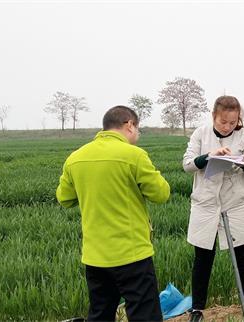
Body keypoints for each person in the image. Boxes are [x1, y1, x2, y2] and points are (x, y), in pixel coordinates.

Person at [56, 105, 171, 321]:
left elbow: (65, 198)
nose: (137, 135)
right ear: (129, 125)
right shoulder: (134, 155)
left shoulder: (75, 158)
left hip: (95, 255)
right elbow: (161, 194)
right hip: (132, 253)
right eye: (138, 129)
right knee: (144, 314)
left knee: (100, 314)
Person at [182, 96, 244, 322]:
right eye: (222, 122)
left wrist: (241, 162)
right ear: (213, 117)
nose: (227, 127)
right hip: (205, 203)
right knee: (203, 256)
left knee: (242, 254)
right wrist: (209, 157)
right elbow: (187, 164)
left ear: (239, 119)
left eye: (233, 122)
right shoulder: (200, 134)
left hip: (235, 203)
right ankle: (197, 309)